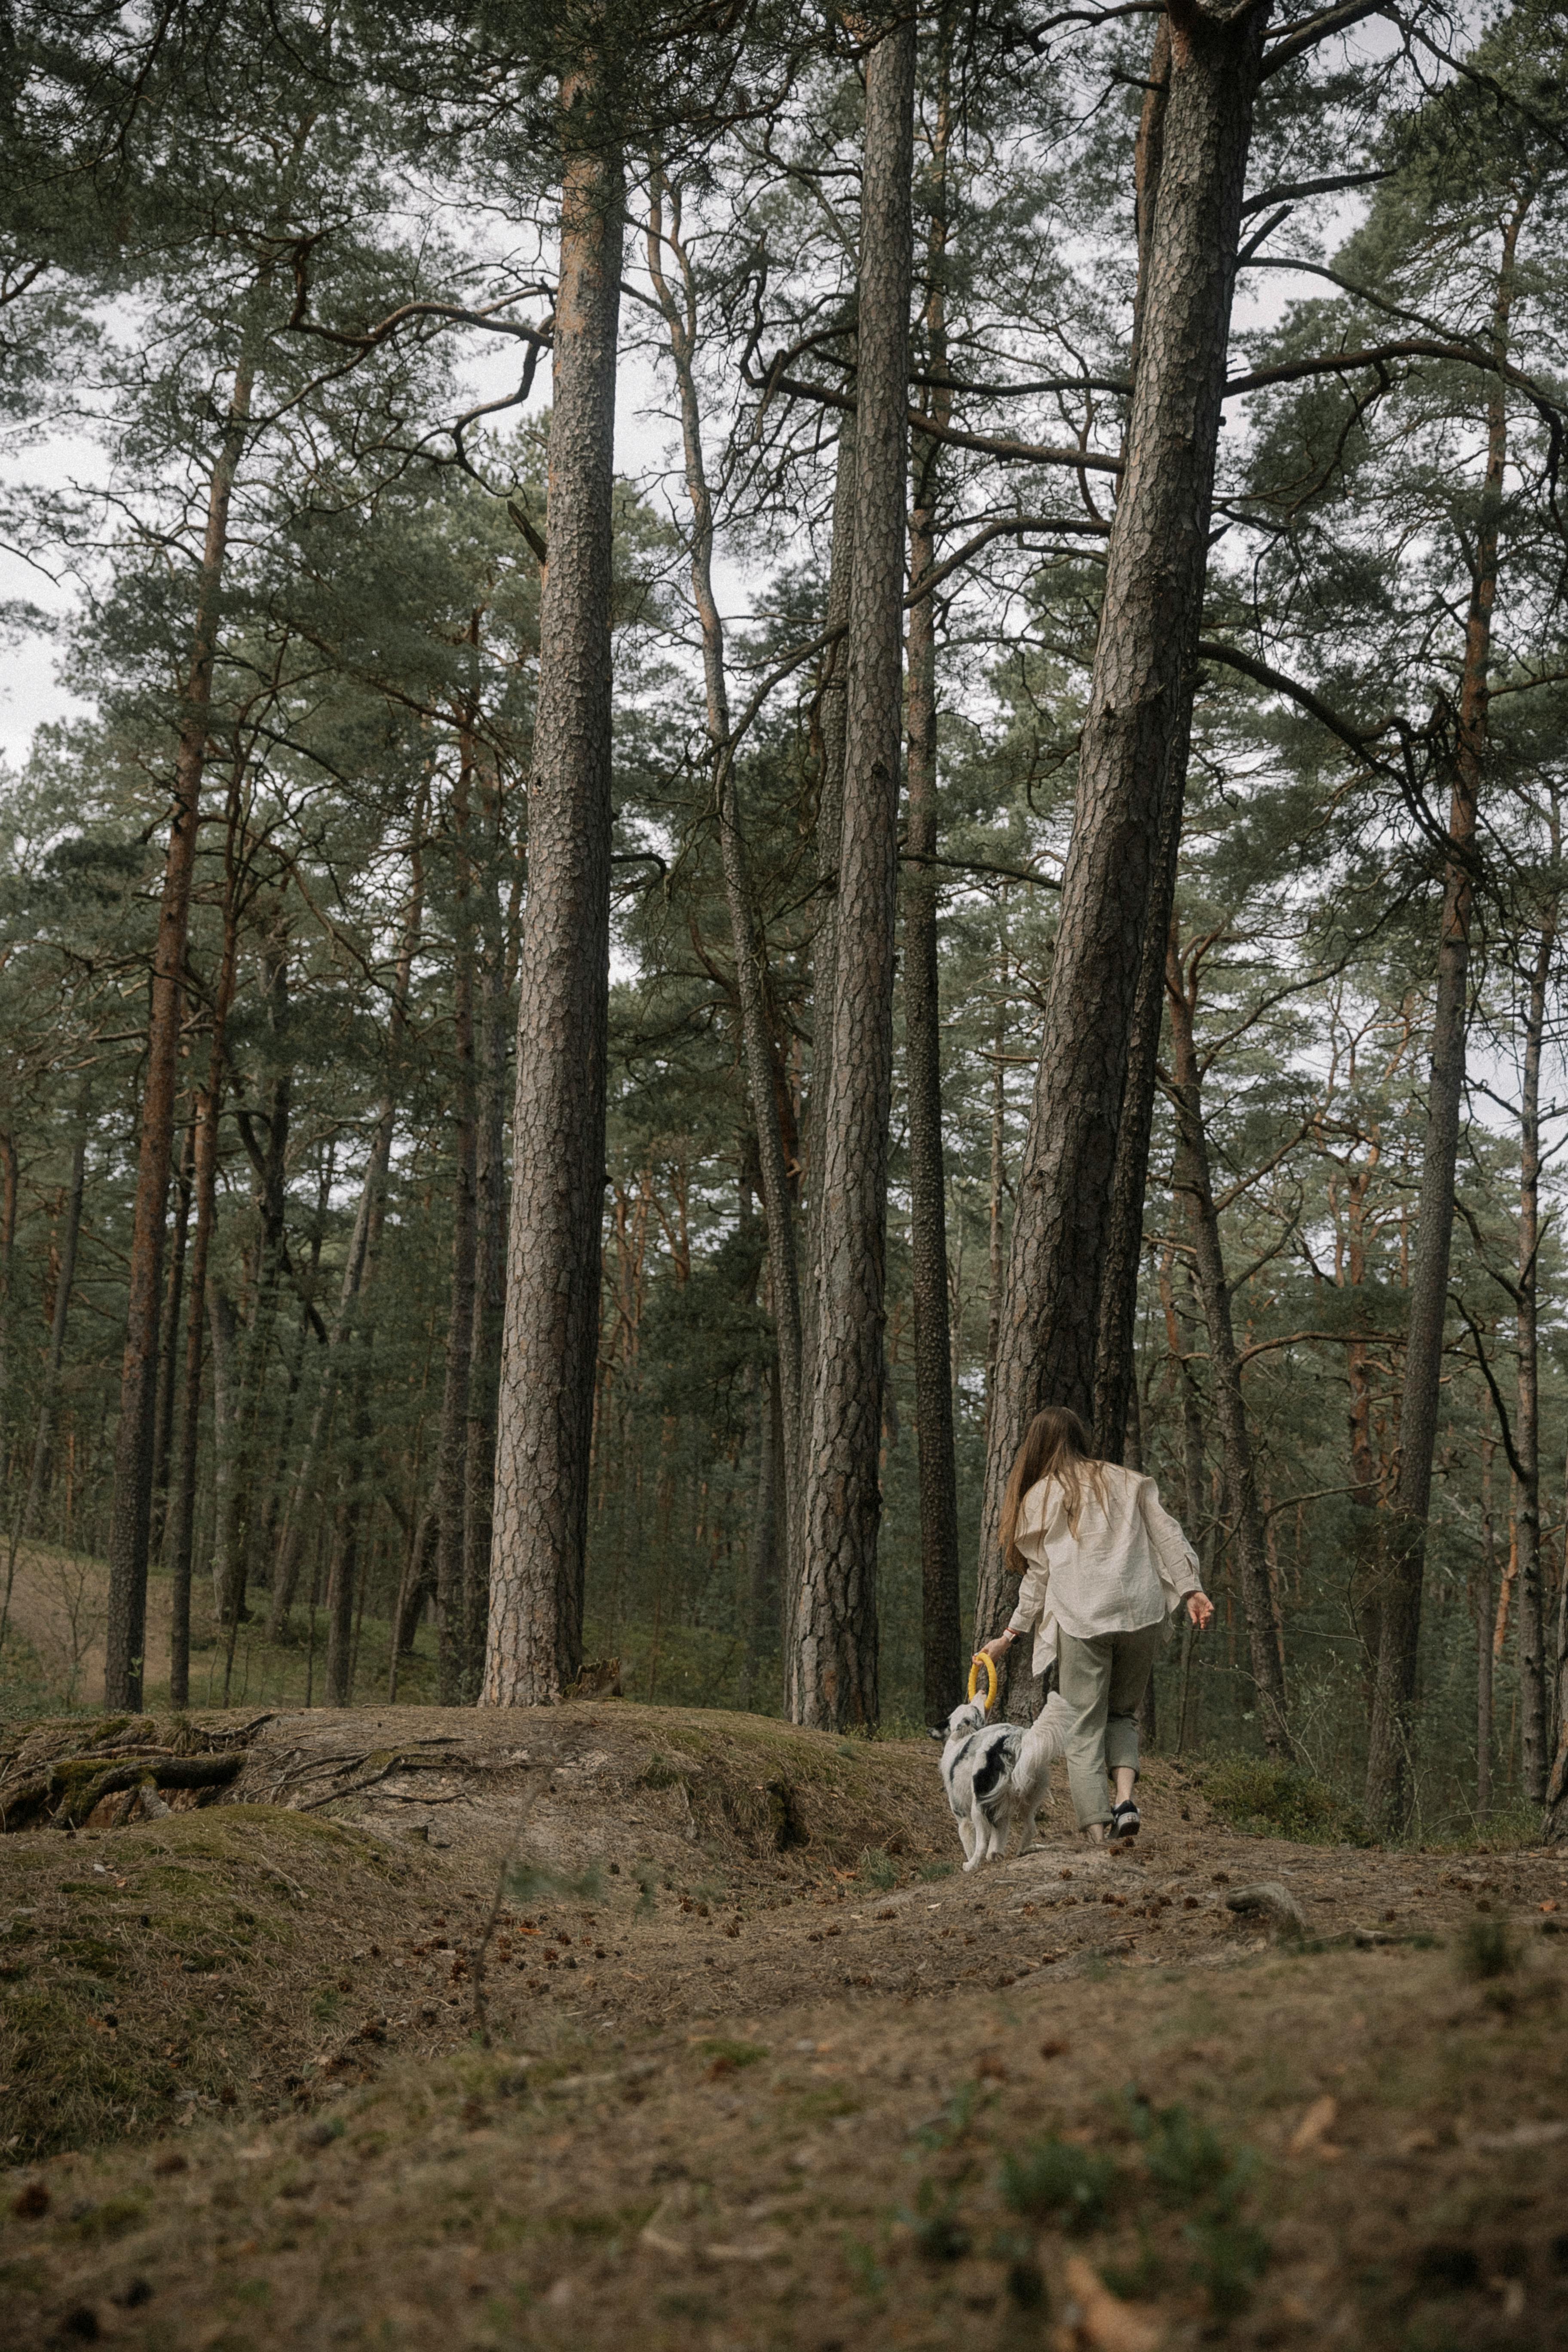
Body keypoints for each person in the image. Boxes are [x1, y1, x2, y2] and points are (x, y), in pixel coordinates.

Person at [980, 1406, 1214, 1843]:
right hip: (1140, 1614)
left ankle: (1096, 1833)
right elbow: (1169, 1535)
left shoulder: (1040, 1497)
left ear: (1037, 1448)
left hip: (1084, 1617)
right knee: (1123, 1714)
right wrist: (1191, 1589)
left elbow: (1039, 1577)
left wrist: (1009, 1636)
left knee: (1084, 1727)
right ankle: (1124, 1800)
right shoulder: (1128, 1480)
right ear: (1079, 1438)